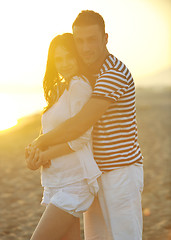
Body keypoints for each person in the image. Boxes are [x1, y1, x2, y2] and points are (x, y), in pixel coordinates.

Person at [28, 10, 144, 240]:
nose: (86, 47)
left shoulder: (113, 73)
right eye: (79, 41)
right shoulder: (85, 76)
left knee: (126, 237)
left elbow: (78, 126)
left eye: (92, 39)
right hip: (93, 173)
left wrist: (39, 142)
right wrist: (42, 153)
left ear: (105, 38)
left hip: (120, 171)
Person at [25, 33, 101, 240]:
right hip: (56, 180)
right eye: (59, 59)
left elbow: (80, 139)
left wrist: (44, 154)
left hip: (74, 181)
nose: (65, 64)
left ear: (77, 56)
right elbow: (50, 133)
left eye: (69, 57)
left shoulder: (79, 85)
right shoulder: (59, 89)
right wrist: (36, 156)